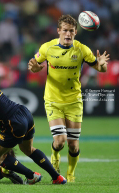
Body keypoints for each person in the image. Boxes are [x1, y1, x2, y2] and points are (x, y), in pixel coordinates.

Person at [28, 14, 110, 182]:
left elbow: (100, 68)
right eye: (65, 30)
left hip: (74, 101)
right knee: (59, 141)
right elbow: (33, 65)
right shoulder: (47, 48)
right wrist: (35, 68)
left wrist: (102, 64)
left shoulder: (82, 49)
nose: (68, 34)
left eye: (71, 31)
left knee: (73, 145)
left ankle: (71, 174)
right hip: (53, 100)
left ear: (76, 32)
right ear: (58, 31)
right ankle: (55, 157)